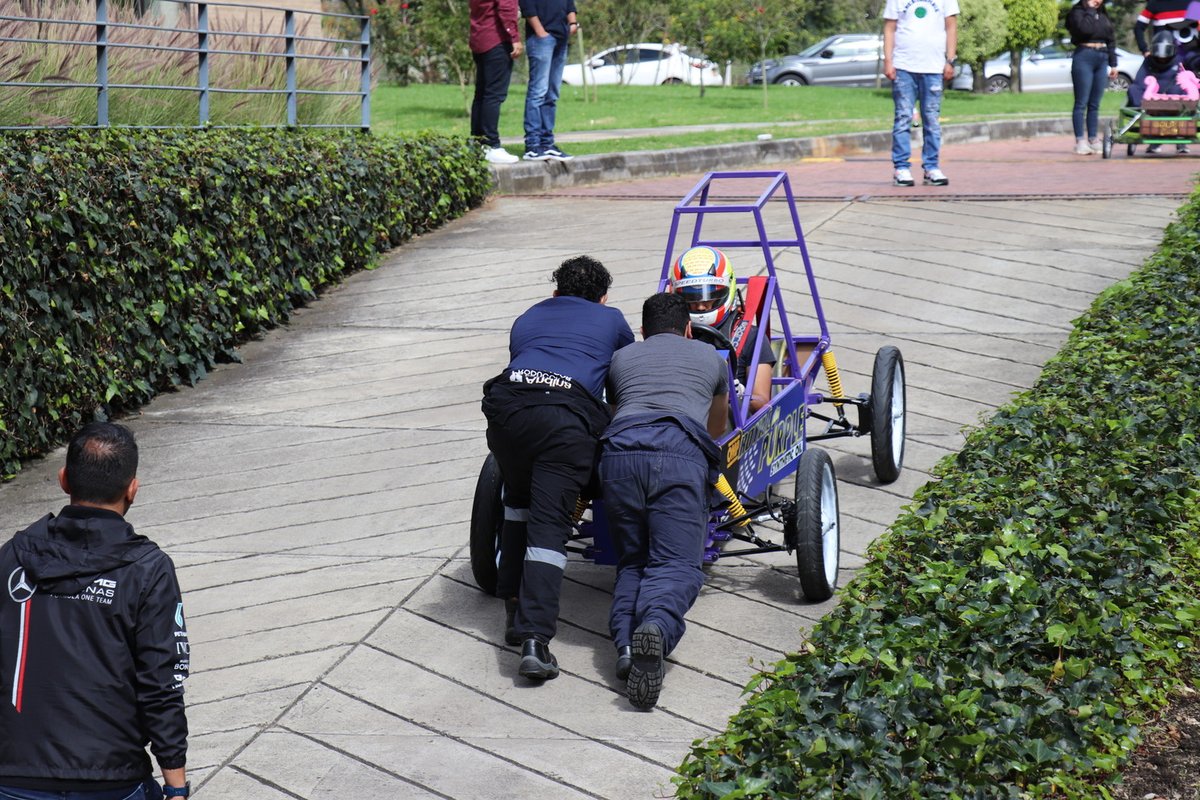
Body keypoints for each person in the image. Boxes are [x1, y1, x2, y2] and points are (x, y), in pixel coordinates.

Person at [0, 422, 190, 800]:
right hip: (113, 778)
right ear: (132, 488)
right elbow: (162, 682)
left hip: (14, 776)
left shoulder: (11, 560)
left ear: (63, 479)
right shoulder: (148, 570)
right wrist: (176, 785)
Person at [481, 255, 634, 681]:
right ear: (603, 298)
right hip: (565, 421)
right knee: (549, 528)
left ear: (555, 292)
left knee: (518, 501)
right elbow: (625, 376)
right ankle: (535, 640)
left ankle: (513, 607)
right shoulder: (612, 319)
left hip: (507, 411)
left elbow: (531, 366)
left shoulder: (528, 316)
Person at [600, 292, 728, 710]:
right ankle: (656, 625)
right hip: (678, 451)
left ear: (642, 330)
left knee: (634, 561)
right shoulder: (711, 358)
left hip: (618, 454)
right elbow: (716, 424)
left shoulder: (622, 359)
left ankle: (626, 648)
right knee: (675, 564)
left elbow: (617, 408)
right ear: (689, 328)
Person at [668, 246, 774, 416]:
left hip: (730, 423)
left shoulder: (750, 336)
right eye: (691, 299)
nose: (701, 306)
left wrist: (737, 395)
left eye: (710, 296)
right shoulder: (672, 333)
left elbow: (762, 400)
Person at [883, 0, 959, 187]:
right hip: (903, 66)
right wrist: (888, 60)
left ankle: (931, 167)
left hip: (933, 67)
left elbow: (951, 27)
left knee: (931, 119)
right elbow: (890, 28)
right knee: (903, 117)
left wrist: (950, 60)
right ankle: (901, 168)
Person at [518, 0, 578, 162]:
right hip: (542, 39)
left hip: (561, 38)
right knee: (538, 92)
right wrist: (540, 32)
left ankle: (547, 143)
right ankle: (532, 145)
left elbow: (569, 4)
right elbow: (527, 6)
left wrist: (572, 23)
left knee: (552, 93)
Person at [470, 0, 522, 165]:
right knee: (494, 95)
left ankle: (478, 143)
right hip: (496, 40)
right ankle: (491, 145)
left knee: (481, 95)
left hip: (480, 38)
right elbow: (506, 7)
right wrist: (514, 37)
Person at [1067, 0, 1120, 155]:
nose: (1098, 1)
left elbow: (1110, 38)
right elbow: (1084, 30)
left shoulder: (1103, 14)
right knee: (1081, 102)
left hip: (1102, 57)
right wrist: (1089, 9)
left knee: (1095, 103)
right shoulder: (1077, 12)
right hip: (1084, 56)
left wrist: (1113, 63)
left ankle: (1093, 138)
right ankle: (1080, 141)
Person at [1129, 30, 1195, 153]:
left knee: (1179, 89)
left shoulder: (1180, 61)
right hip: (1151, 102)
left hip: (1175, 102)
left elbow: (1189, 79)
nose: (1162, 58)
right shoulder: (1148, 61)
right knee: (1133, 89)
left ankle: (1180, 139)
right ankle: (1154, 138)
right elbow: (1139, 81)